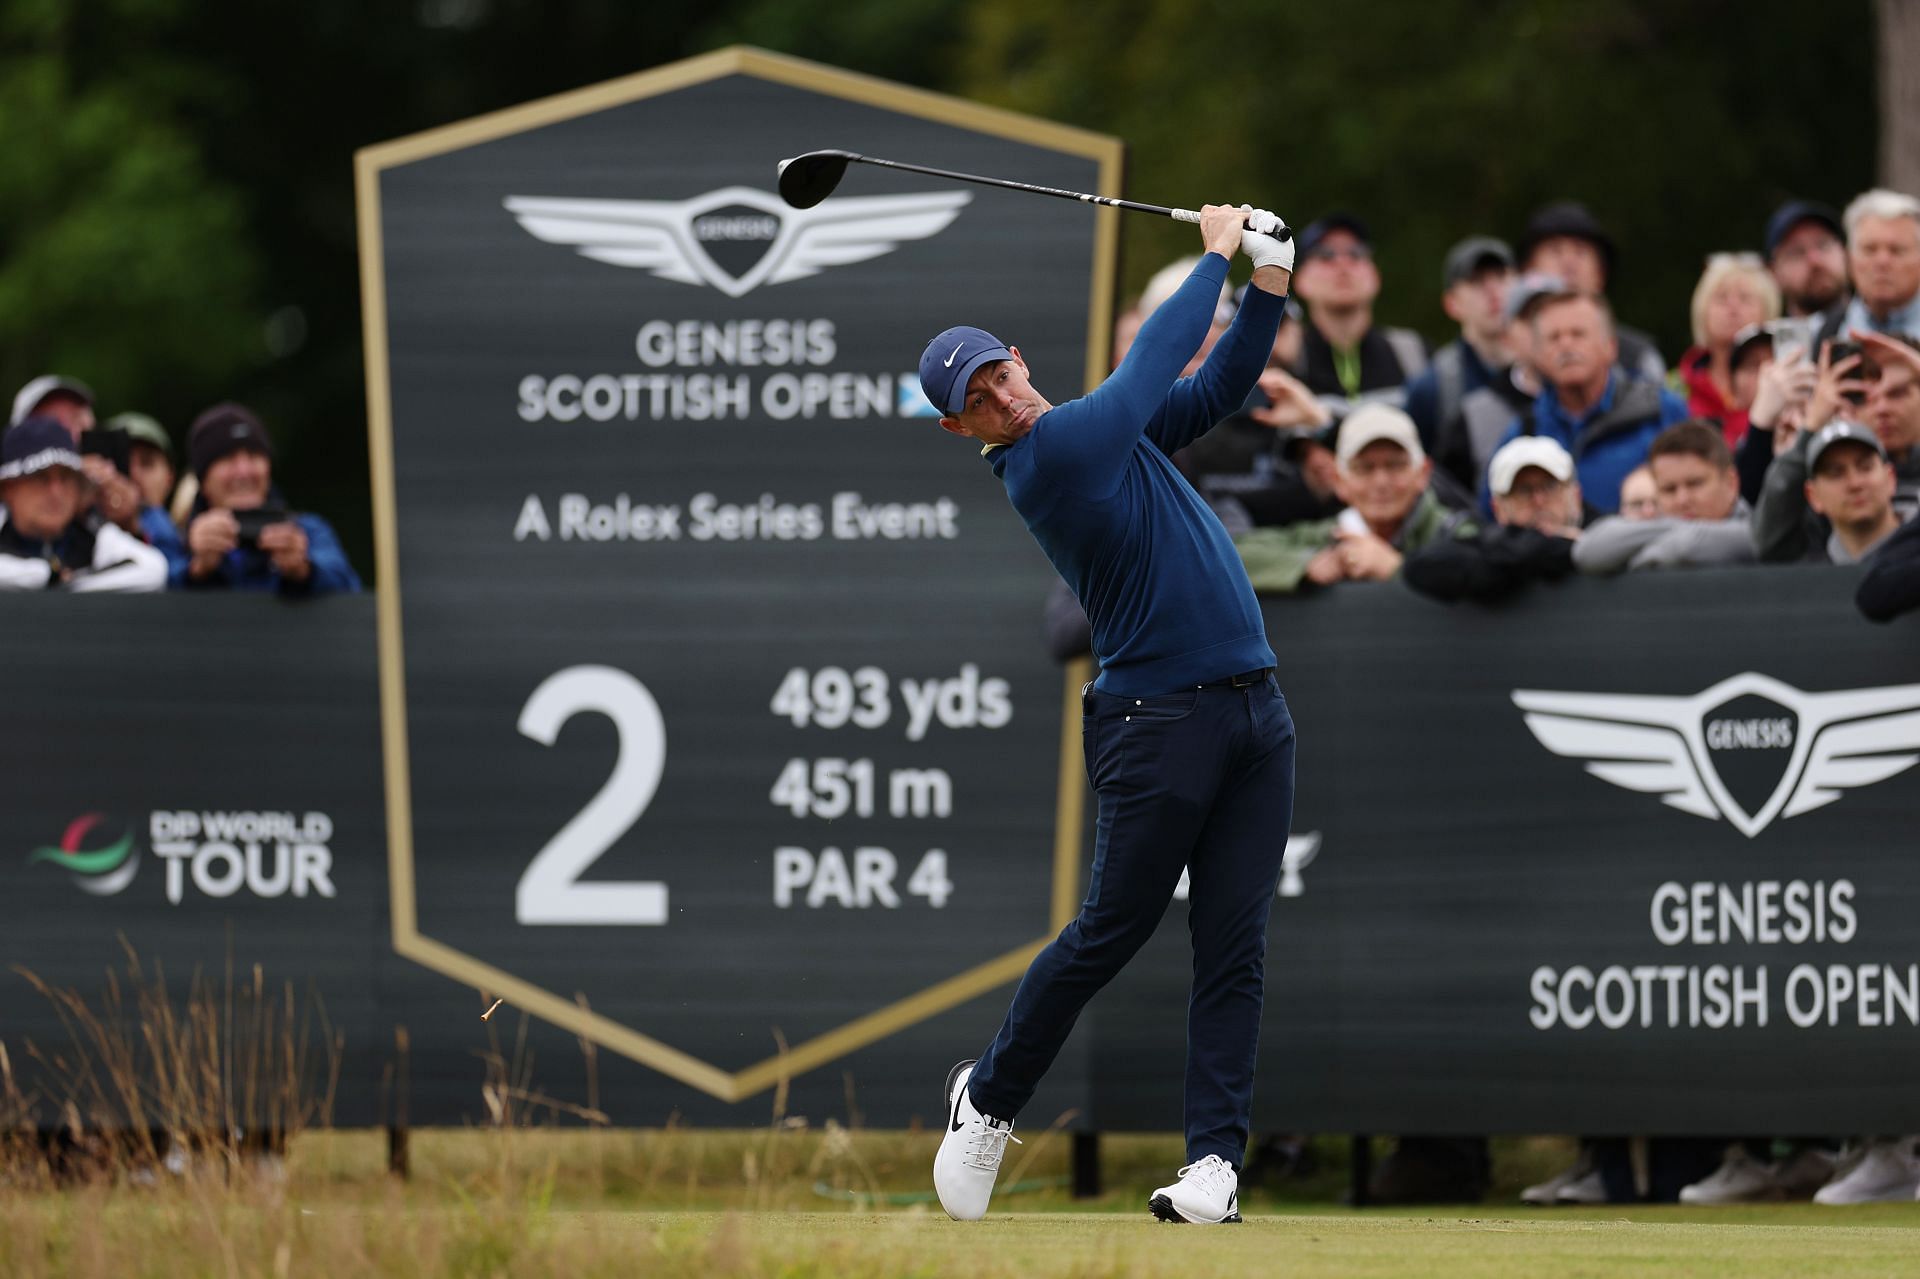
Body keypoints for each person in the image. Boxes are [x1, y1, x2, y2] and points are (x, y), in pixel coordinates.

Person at [919, 204, 1296, 1226]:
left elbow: (1215, 384)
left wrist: (1271, 283)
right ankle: (988, 1100)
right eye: (978, 398)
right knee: (1110, 931)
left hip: (1255, 709)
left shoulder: (1100, 431)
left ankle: (1214, 1164)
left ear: (1019, 359)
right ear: (963, 429)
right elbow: (1149, 369)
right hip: (1155, 721)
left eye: (1000, 370)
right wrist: (1220, 250)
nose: (1001, 394)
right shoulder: (1051, 458)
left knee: (1234, 945)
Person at [1482, 290, 1689, 514]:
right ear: (1538, 355)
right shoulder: (1524, 432)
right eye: (1554, 338)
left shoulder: (1660, 411)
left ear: (1610, 347)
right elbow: (1489, 513)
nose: (1566, 346)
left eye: (1578, 334)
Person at [1234, 405, 1452, 593]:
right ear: (1339, 481)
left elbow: (1482, 571)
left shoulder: (1451, 533)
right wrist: (1307, 564)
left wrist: (1396, 569)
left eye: (1395, 465)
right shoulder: (1331, 535)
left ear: (1423, 473)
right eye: (1364, 468)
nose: (1381, 482)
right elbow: (1230, 556)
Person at [159, 403, 361, 594]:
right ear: (203, 481)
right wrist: (196, 570)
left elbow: (352, 598)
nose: (244, 471)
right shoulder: (176, 540)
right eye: (228, 458)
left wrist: (305, 572)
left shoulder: (308, 532)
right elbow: (148, 601)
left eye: (254, 455)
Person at [1403, 436, 1585, 603]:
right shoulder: (1489, 545)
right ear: (1498, 509)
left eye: (1550, 486)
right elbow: (1420, 567)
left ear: (1575, 496)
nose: (1538, 500)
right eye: (1523, 491)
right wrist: (1550, 549)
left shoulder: (1600, 530)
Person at [0, 416, 166, 592]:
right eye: (40, 477)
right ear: (7, 489)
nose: (57, 492)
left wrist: (68, 585)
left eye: (65, 477)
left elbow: (153, 568)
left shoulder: (90, 533)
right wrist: (49, 576)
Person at [1572, 421, 1755, 574]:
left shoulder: (1759, 529)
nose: (1682, 499)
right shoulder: (1663, 529)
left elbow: (1688, 545)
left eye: (1695, 484)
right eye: (1669, 489)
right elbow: (1587, 550)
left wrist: (1641, 559)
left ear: (1731, 483)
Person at [1436, 273, 1562, 494]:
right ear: (1506, 336)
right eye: (1528, 318)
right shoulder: (1473, 417)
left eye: (1553, 315)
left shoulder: (1621, 398)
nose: (1544, 329)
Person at [1516, 201, 1666, 381]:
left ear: (1601, 274)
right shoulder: (1502, 363)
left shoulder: (1638, 359)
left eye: (1580, 251)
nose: (1569, 263)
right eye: (1555, 250)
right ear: (1527, 270)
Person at [1287, 214, 1427, 403]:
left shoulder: (1415, 354)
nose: (1343, 264)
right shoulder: (1283, 359)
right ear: (1300, 280)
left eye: (1356, 253)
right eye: (1325, 255)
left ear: (1375, 275)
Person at [1403, 237, 1514, 454]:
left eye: (1501, 277)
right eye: (1477, 281)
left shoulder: (1544, 373)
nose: (1493, 292)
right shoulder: (1431, 389)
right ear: (1452, 304)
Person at [8, 373, 144, 535]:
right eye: (54, 424)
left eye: (78, 420)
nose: (74, 434)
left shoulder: (118, 486)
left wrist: (129, 523)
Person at [1675, 255, 1780, 446]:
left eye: (1745, 298)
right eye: (1721, 298)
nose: (1733, 307)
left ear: (1768, 313)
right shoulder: (1677, 388)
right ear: (1702, 312)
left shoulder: (1783, 382)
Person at [1818, 189, 1920, 343]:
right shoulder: (1824, 332)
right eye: (1869, 249)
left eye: (1897, 250)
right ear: (1849, 258)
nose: (1882, 261)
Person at [1762, 201, 1849, 320]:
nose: (1815, 260)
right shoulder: (1767, 338)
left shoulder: (1880, 328)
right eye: (1797, 252)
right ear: (1773, 272)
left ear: (1845, 251)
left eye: (1823, 244)